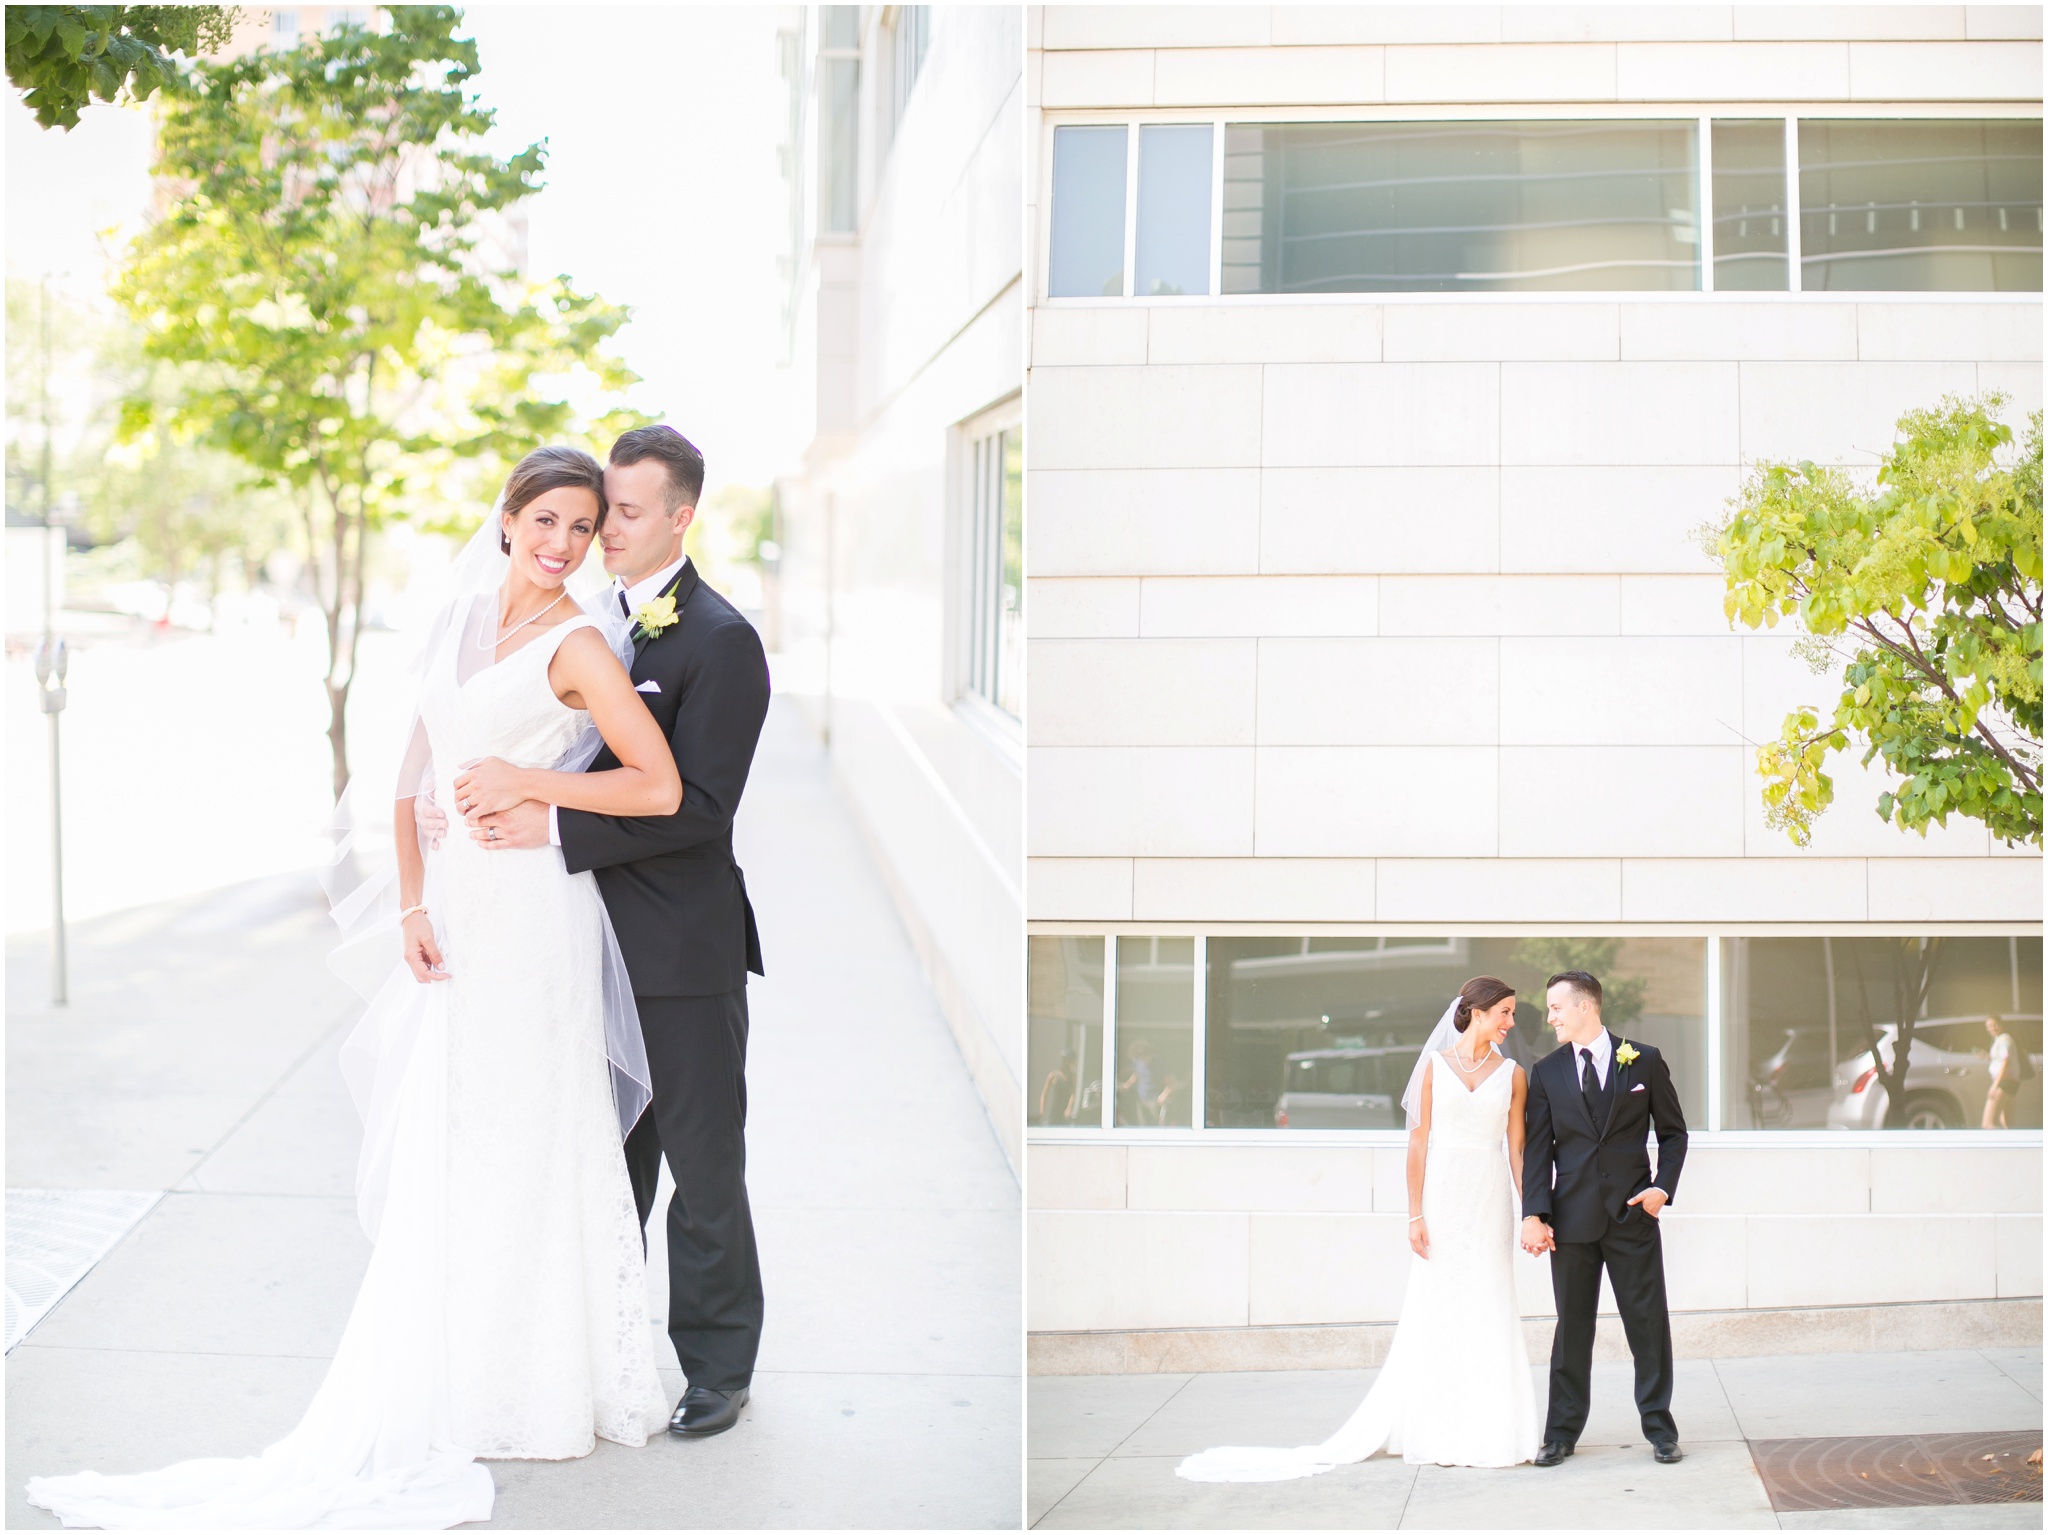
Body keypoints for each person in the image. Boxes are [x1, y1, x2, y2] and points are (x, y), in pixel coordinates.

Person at [27, 446, 676, 1529]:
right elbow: (410, 777)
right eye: (546, 520)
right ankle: (457, 1357)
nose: (563, 543)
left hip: (531, 913)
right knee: (452, 1130)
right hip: (458, 910)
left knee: (526, 1128)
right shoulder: (461, 621)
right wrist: (413, 904)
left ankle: (549, 1375)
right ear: (506, 518)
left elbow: (654, 783)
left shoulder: (579, 642)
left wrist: (531, 778)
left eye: (581, 526)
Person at [460, 425, 772, 1439]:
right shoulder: (596, 616)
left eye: (626, 513)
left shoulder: (720, 640)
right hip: (574, 942)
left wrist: (547, 818)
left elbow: (699, 809)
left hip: (680, 950)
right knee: (603, 1159)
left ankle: (719, 1367)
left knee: (701, 1162)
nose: (607, 531)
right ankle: (600, 1350)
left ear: (680, 515)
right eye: (605, 511)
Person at [1177, 976, 1541, 1480]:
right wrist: (1414, 1214)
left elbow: (1517, 1150)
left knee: (1490, 1302)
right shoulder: (1435, 1068)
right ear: (1477, 1012)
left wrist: (1531, 1213)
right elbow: (1417, 1146)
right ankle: (1437, 1428)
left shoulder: (1514, 1075)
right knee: (1438, 1308)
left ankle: (1494, 1429)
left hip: (1489, 1199)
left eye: (1512, 1013)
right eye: (1504, 1012)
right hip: (1442, 1198)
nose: (1511, 1022)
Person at [1520, 969, 1689, 1468]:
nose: (1549, 1017)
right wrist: (1535, 1213)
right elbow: (1537, 1151)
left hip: (1632, 1217)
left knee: (1647, 1325)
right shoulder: (1546, 1072)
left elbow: (1675, 1132)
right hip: (1570, 1223)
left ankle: (1660, 1429)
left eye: (1555, 1007)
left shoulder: (1644, 1060)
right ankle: (1561, 1433)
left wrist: (1662, 1188)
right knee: (1572, 1328)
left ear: (1585, 1007)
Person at [1983, 1014, 2023, 1129]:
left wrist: (1994, 1086)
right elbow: (2001, 1059)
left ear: (2001, 1025)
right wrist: (1987, 1057)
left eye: (1995, 1025)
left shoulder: (2004, 1039)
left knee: (1987, 1124)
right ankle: (2013, 1144)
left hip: (2004, 1082)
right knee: (2007, 1123)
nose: (1992, 1028)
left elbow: (2006, 1062)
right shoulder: (1999, 1039)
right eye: (1989, 1026)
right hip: (2010, 1082)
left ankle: (1996, 1145)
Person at [1039, 1051, 1079, 1126]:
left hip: (1065, 1113)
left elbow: (1073, 1094)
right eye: (1071, 1062)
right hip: (1053, 1111)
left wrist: (1069, 1108)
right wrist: (1042, 1110)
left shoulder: (1073, 1077)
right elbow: (1044, 1093)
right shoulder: (1053, 1076)